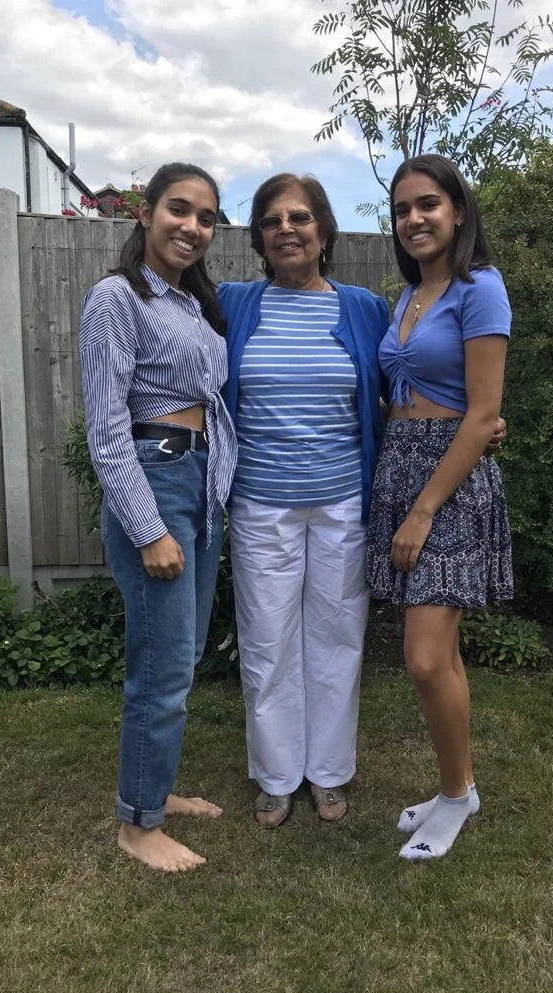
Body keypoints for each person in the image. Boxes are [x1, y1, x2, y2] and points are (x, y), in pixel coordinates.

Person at [80, 162, 238, 872]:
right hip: (157, 482)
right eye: (180, 209)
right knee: (162, 667)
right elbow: (108, 430)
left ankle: (155, 789)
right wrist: (149, 529)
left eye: (206, 218)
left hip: (200, 485)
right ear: (145, 213)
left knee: (183, 654)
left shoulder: (193, 306)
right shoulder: (116, 298)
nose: (192, 227)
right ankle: (137, 827)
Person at [218, 174, 389, 827]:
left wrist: (476, 419)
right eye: (272, 220)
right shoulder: (234, 304)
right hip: (260, 505)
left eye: (299, 217)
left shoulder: (363, 308)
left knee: (337, 638)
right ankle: (276, 774)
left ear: (323, 230)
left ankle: (329, 772)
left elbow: (407, 382)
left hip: (342, 504)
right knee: (268, 641)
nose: (286, 229)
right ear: (259, 237)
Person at [365, 154, 514, 861]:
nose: (414, 218)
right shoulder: (407, 297)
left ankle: (455, 796)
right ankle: (460, 787)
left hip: (446, 486)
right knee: (440, 653)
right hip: (400, 469)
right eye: (402, 210)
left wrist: (423, 509)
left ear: (457, 210)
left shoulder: (480, 288)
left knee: (424, 659)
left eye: (427, 204)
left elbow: (483, 414)